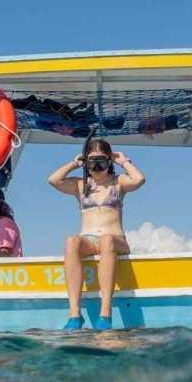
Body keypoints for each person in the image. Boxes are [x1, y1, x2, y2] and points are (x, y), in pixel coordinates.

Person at [48, 138, 146, 330]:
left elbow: (139, 179)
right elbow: (54, 180)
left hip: (115, 240)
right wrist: (74, 163)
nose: (97, 167)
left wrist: (123, 161)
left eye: (101, 161)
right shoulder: (80, 185)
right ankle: (75, 315)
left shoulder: (119, 182)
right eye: (92, 162)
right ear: (86, 162)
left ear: (109, 160)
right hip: (89, 240)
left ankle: (105, 314)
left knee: (107, 241)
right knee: (71, 241)